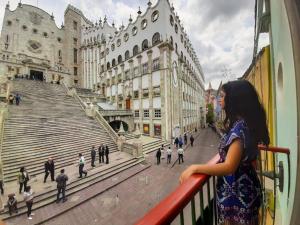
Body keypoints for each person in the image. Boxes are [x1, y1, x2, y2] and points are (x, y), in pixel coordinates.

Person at [180, 80, 269, 225]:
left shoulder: (239, 129)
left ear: (234, 100)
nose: (219, 99)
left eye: (222, 96)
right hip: (247, 193)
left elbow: (229, 166)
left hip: (238, 200)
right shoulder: (246, 124)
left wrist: (195, 167)